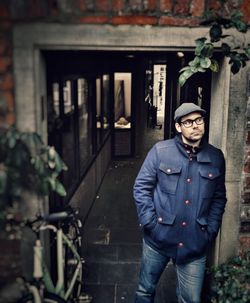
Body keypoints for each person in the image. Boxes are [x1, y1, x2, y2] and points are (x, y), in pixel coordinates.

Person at [133, 103, 227, 303]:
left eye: (199, 120)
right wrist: (150, 223)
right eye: (188, 122)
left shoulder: (215, 157)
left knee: (190, 299)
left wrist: (210, 230)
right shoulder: (160, 151)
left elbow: (219, 198)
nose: (195, 126)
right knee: (144, 291)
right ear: (178, 126)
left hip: (195, 243)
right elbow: (141, 188)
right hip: (158, 239)